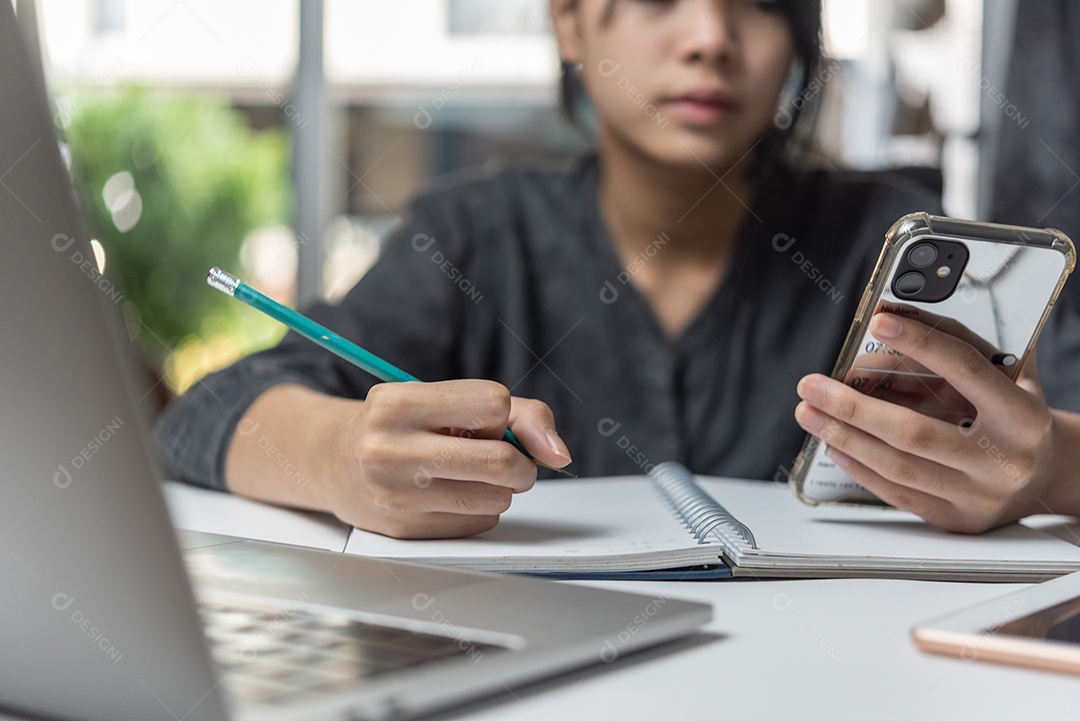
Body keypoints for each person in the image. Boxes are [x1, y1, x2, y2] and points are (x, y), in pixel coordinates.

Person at [157, 0, 1080, 540]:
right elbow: (206, 414)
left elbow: (1057, 433)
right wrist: (339, 461)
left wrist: (1045, 469)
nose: (711, 35)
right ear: (567, 20)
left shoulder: (888, 238)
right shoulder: (474, 235)